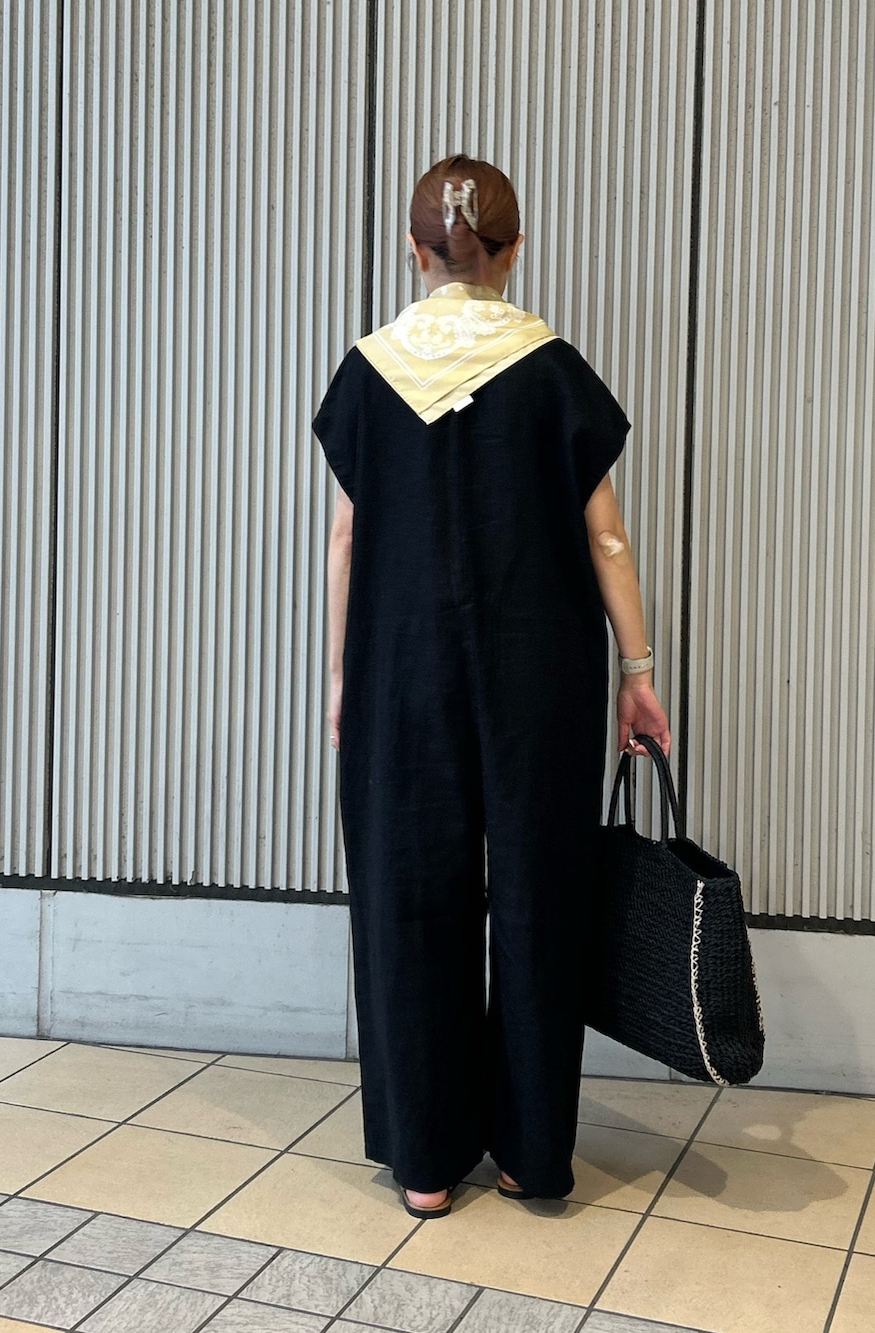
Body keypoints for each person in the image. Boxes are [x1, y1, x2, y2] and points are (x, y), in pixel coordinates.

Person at [314, 155, 670, 1220]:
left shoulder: (369, 371)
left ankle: (426, 1162)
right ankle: (529, 1157)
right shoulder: (553, 371)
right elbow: (605, 537)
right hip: (539, 674)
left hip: (400, 670)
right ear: (514, 251)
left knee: (406, 892)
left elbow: (346, 537)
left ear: (413, 250)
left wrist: (340, 678)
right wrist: (638, 672)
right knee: (535, 894)